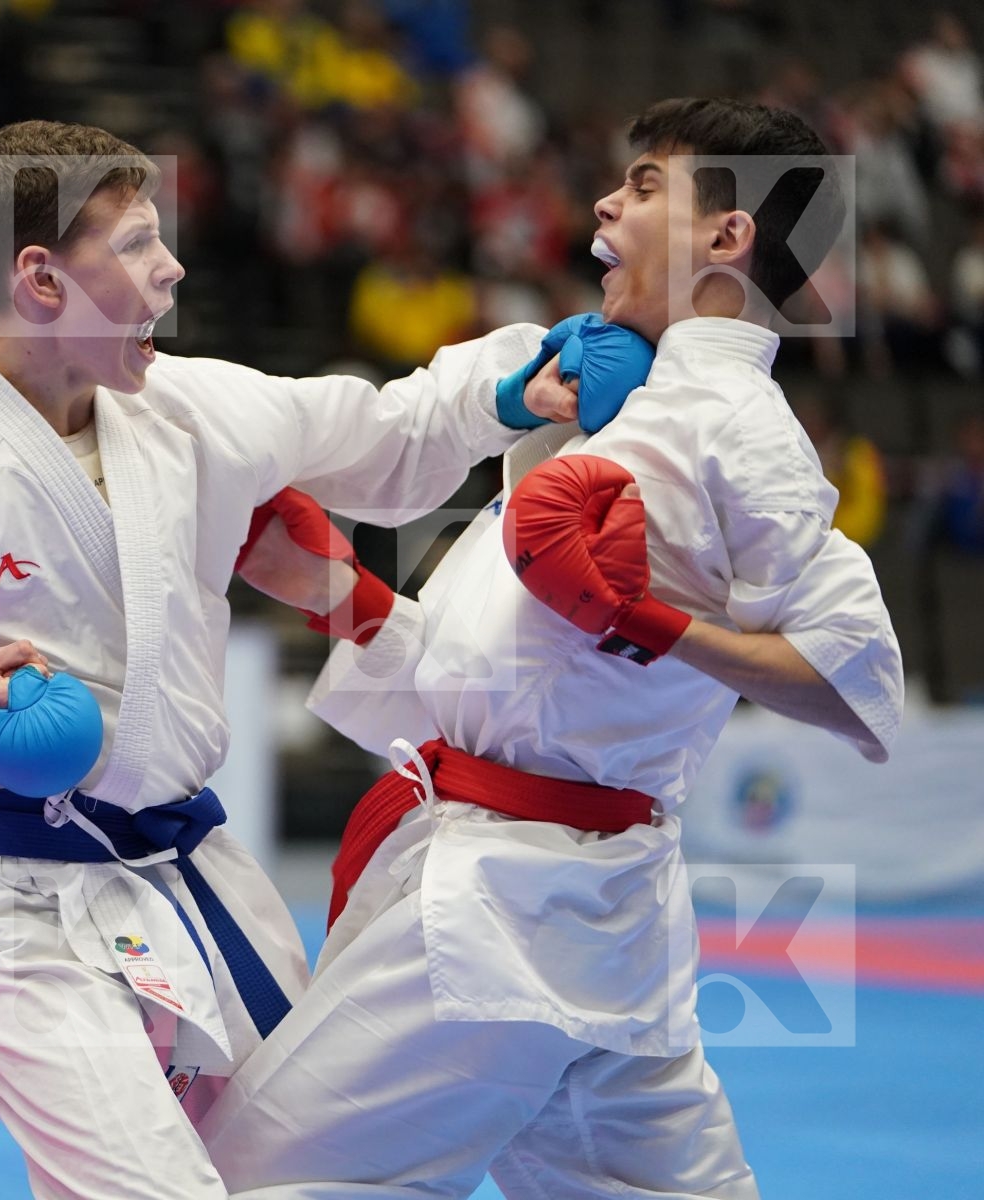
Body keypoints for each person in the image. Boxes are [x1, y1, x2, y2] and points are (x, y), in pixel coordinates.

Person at [0, 119, 597, 1199]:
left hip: (192, 875)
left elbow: (376, 433)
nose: (170, 269)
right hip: (13, 904)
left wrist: (514, 389)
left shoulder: (189, 408)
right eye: (136, 244)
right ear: (40, 277)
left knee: (308, 1176)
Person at [200, 98, 904, 1199]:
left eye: (643, 186)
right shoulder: (614, 391)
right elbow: (508, 678)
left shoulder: (738, 427)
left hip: (515, 907)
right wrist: (334, 592)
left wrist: (647, 621)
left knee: (253, 1180)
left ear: (729, 238)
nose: (604, 203)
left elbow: (857, 688)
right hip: (580, 910)